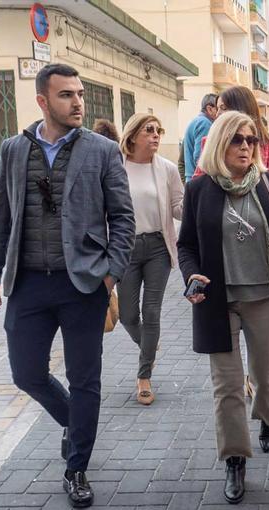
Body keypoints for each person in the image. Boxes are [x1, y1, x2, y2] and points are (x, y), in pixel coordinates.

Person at [0, 64, 135, 509]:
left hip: (82, 283)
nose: (78, 102)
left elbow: (122, 217)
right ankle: (75, 422)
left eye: (81, 93)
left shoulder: (102, 150)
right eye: (67, 95)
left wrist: (111, 272)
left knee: (85, 379)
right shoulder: (13, 149)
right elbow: (0, 213)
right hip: (27, 282)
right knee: (25, 373)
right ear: (43, 102)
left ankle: (77, 467)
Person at [178, 111, 269, 503]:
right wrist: (192, 276)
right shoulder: (200, 190)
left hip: (265, 295)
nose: (246, 146)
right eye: (237, 140)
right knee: (227, 385)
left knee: (265, 375)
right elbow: (186, 246)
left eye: (251, 139)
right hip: (217, 300)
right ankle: (234, 458)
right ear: (219, 144)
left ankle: (267, 418)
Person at [117, 114, 184, 405]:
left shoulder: (167, 169)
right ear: (132, 136)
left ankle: (144, 376)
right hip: (124, 248)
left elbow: (179, 208)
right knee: (128, 315)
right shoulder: (115, 168)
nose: (156, 135)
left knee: (152, 311)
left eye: (159, 130)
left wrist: (201, 203)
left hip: (158, 245)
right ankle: (149, 348)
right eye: (149, 130)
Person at [194, 86, 269, 180]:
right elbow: (199, 180)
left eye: (223, 108)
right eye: (217, 108)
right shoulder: (210, 141)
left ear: (241, 109)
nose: (218, 114)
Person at [182, 93, 219, 182]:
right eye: (218, 108)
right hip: (199, 180)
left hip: (191, 178)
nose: (220, 113)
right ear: (209, 109)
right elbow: (200, 157)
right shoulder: (205, 123)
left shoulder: (196, 121)